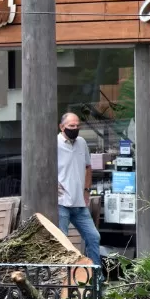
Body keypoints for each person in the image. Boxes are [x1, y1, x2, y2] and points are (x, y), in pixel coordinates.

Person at [57, 112, 101, 268]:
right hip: (61, 202)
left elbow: (88, 167)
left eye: (77, 126)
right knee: (62, 242)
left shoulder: (81, 142)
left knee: (93, 237)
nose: (75, 129)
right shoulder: (54, 143)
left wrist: (87, 190)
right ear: (61, 127)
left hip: (79, 203)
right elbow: (42, 167)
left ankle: (95, 278)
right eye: (71, 126)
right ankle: (62, 279)